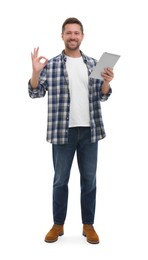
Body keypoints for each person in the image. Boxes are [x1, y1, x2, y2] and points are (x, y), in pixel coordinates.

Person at [28, 17, 114, 244]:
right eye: (69, 33)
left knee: (89, 180)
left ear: (82, 36)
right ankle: (58, 225)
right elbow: (35, 93)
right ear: (62, 36)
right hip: (62, 132)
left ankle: (88, 225)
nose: (73, 36)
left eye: (77, 33)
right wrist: (36, 72)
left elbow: (102, 96)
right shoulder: (53, 64)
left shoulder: (95, 64)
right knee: (60, 180)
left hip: (90, 132)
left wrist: (106, 82)